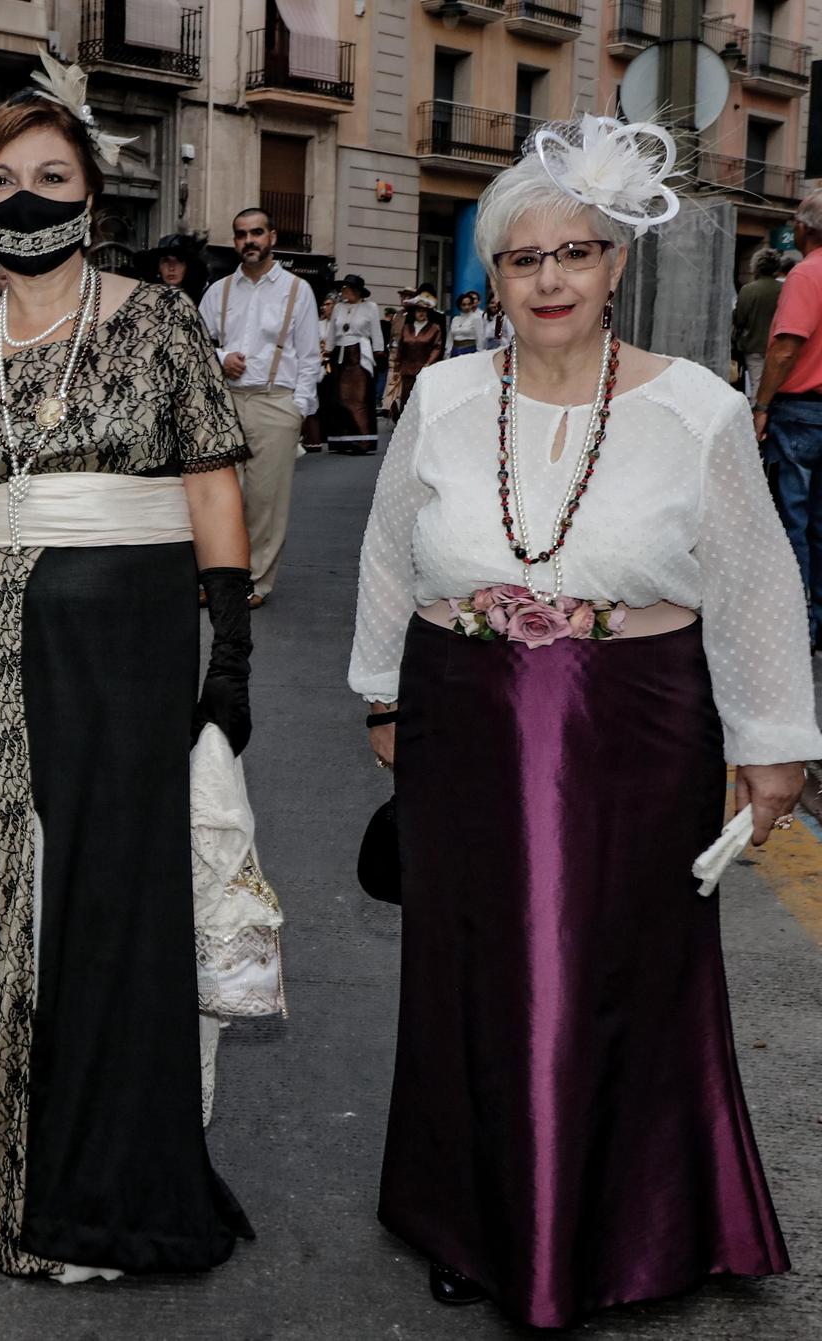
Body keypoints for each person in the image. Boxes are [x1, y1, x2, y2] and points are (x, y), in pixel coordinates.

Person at [350, 115, 820, 1329]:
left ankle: (629, 1223)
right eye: (522, 259)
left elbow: (755, 579)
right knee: (467, 973)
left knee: (613, 971)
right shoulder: (444, 396)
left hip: (635, 719)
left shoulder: (700, 409)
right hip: (459, 713)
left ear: (616, 265)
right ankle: (472, 1214)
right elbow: (390, 554)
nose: (549, 278)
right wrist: (380, 692)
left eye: (576, 253)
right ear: (491, 277)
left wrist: (769, 741)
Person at [0, 61, 255, 1281]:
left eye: (49, 178)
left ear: (92, 193)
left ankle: (122, 1189)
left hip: (134, 656)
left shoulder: (157, 320)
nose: (25, 200)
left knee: (112, 912)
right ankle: (19, 1186)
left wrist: (230, 649)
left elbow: (208, 483)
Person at [200, 205, 321, 608]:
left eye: (256, 233)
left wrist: (298, 410)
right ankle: (218, 577)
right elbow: (197, 347)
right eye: (240, 234)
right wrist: (221, 358)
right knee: (219, 497)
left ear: (271, 238)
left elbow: (309, 356)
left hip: (276, 402)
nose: (248, 241)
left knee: (265, 501)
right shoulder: (218, 291)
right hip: (227, 401)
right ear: (234, 241)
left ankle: (254, 581)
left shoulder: (295, 290)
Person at [755, 193, 822, 649]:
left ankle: (793, 621)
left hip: (801, 413)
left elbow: (785, 347)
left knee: (790, 522)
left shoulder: (806, 273)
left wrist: (761, 406)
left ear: (805, 228)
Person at [323, 274, 386, 454]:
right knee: (339, 398)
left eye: (347, 289)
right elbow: (332, 332)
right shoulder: (339, 308)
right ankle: (342, 441)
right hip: (340, 354)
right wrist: (327, 351)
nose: (344, 292)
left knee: (358, 397)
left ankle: (362, 440)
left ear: (357, 291)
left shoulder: (370, 307)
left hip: (359, 352)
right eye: (343, 289)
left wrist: (378, 351)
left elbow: (376, 330)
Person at [385, 289, 444, 417]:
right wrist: (397, 369)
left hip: (425, 371)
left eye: (424, 311)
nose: (421, 313)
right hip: (407, 371)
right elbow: (400, 348)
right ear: (414, 312)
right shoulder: (406, 328)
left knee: (423, 403)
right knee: (406, 402)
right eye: (419, 310)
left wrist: (428, 364)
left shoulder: (434, 328)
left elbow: (437, 348)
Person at [733, 249, 782, 401]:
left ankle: (758, 418)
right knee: (777, 387)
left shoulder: (748, 290)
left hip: (754, 346)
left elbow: (740, 320)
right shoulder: (784, 289)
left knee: (757, 386)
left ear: (755, 267)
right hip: (778, 346)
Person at [444, 290, 484, 355]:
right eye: (464, 304)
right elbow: (450, 337)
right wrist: (448, 352)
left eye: (469, 304)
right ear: (460, 306)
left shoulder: (476, 318)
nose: (466, 307)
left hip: (470, 350)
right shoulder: (455, 319)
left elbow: (480, 337)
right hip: (455, 350)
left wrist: (480, 353)